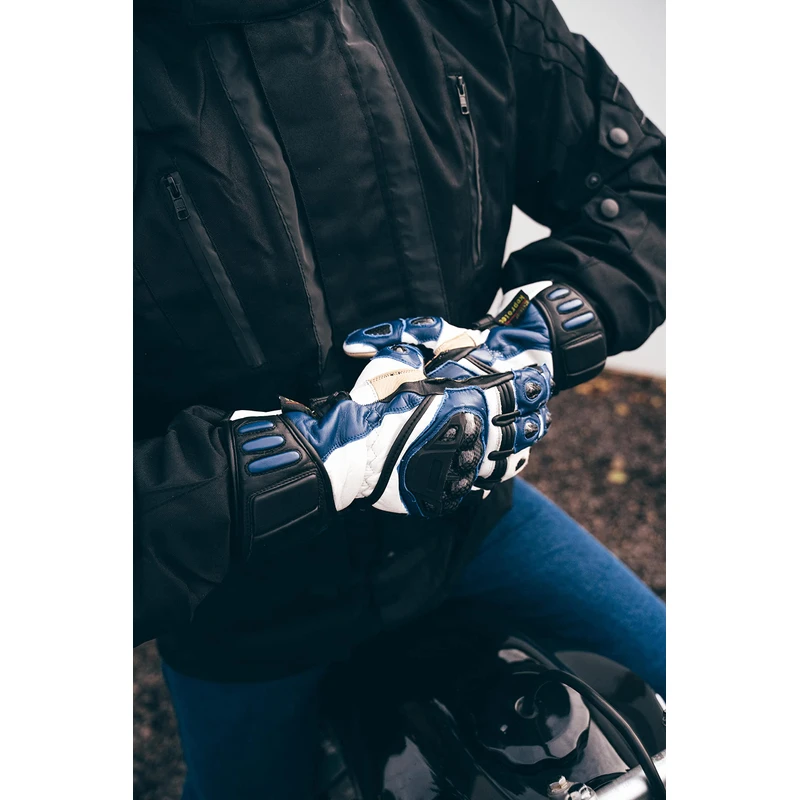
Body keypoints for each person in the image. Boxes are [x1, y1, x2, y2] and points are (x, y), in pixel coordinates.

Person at [134, 0, 666, 796]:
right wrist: (294, 467)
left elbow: (652, 191)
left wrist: (538, 335)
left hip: (468, 528)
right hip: (244, 606)